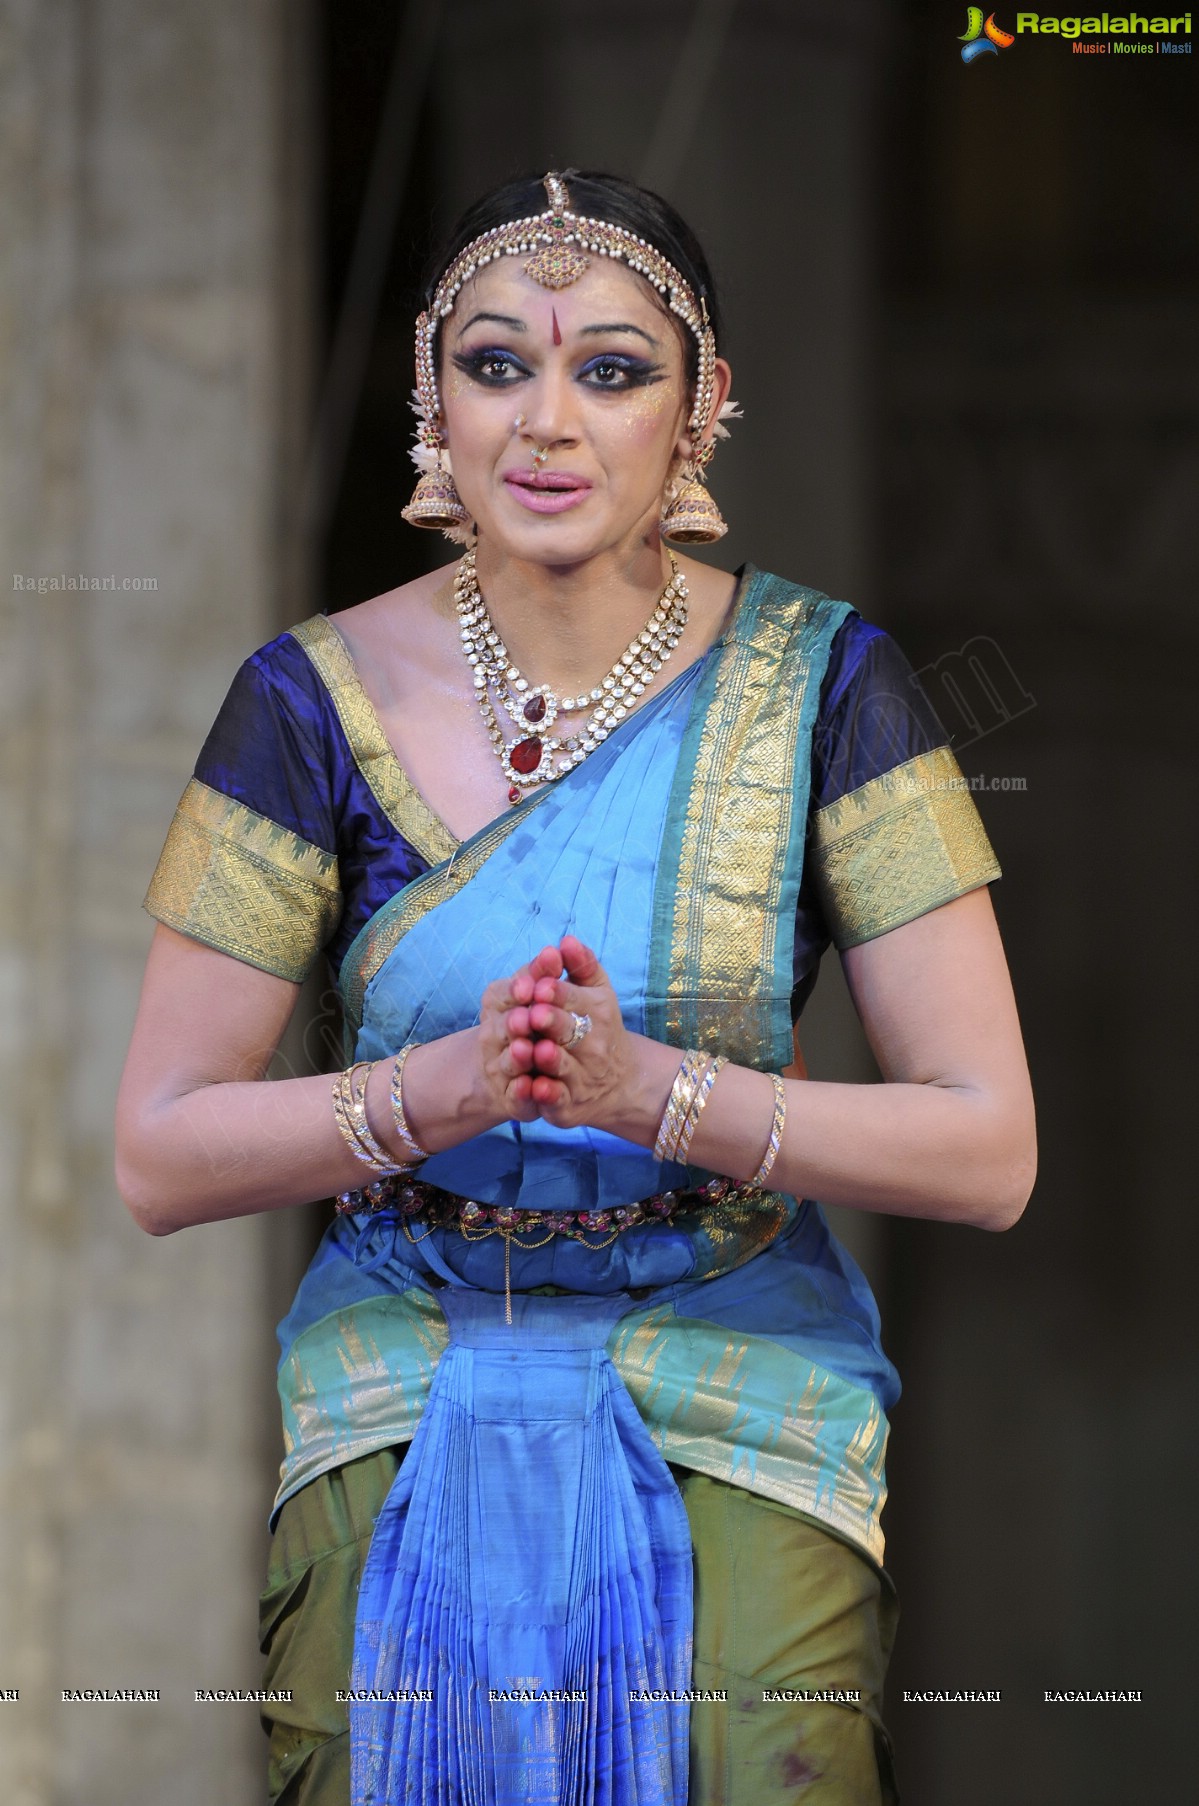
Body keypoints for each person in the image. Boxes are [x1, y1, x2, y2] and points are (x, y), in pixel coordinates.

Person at [115, 169, 1036, 1806]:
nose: (548, 421)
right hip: (404, 1368)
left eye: (611, 369)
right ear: (430, 394)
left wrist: (655, 1095)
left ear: (703, 410)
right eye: (495, 364)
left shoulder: (831, 685)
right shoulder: (303, 701)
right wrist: (440, 1091)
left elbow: (986, 1148)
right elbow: (161, 1150)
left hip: (743, 1376)